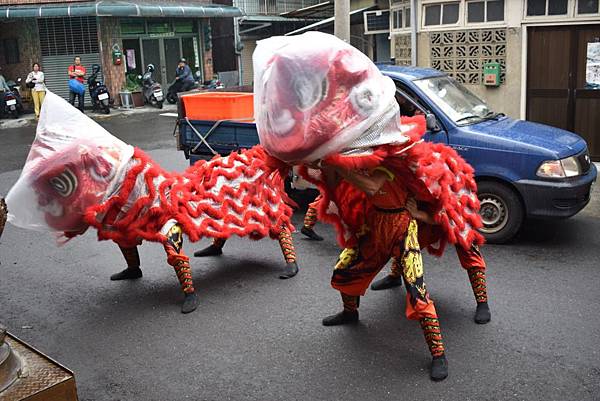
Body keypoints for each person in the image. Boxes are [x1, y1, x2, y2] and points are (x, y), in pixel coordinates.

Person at [370, 199, 491, 324]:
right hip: (425, 206)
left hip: (453, 209)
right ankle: (395, 275)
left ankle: (482, 301)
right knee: (403, 236)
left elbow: (448, 211)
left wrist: (419, 214)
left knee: (467, 246)